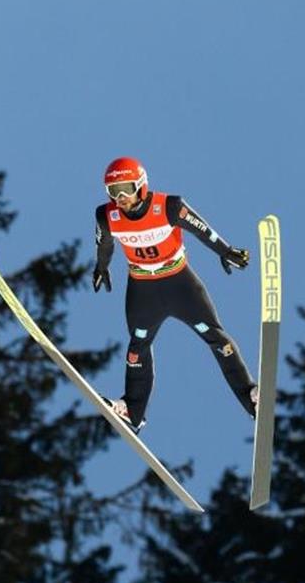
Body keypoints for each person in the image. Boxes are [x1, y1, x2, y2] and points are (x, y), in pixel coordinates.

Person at [93, 156, 258, 433]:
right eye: (114, 191)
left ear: (141, 186)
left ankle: (251, 397)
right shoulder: (106, 216)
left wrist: (226, 251)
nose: (121, 197)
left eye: (126, 188)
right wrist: (101, 268)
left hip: (179, 284)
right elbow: (104, 245)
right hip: (142, 288)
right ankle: (133, 411)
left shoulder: (169, 206)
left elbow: (202, 230)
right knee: (137, 347)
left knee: (216, 336)